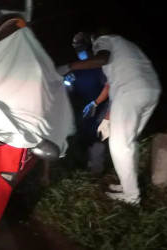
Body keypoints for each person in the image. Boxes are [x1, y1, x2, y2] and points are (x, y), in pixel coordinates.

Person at [58, 27, 161, 205]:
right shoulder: (125, 46)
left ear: (91, 40)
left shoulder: (103, 40)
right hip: (150, 90)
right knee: (130, 141)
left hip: (131, 91)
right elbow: (112, 86)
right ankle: (128, 185)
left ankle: (131, 196)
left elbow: (102, 59)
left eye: (82, 48)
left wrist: (68, 66)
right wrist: (105, 117)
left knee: (120, 146)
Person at [63, 32, 110, 176]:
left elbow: (108, 85)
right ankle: (89, 165)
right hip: (84, 107)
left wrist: (98, 104)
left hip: (99, 105)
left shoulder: (100, 64)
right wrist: (68, 82)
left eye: (81, 45)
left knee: (97, 135)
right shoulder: (78, 66)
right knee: (84, 135)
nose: (78, 49)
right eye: (75, 46)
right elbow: (71, 88)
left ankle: (98, 169)